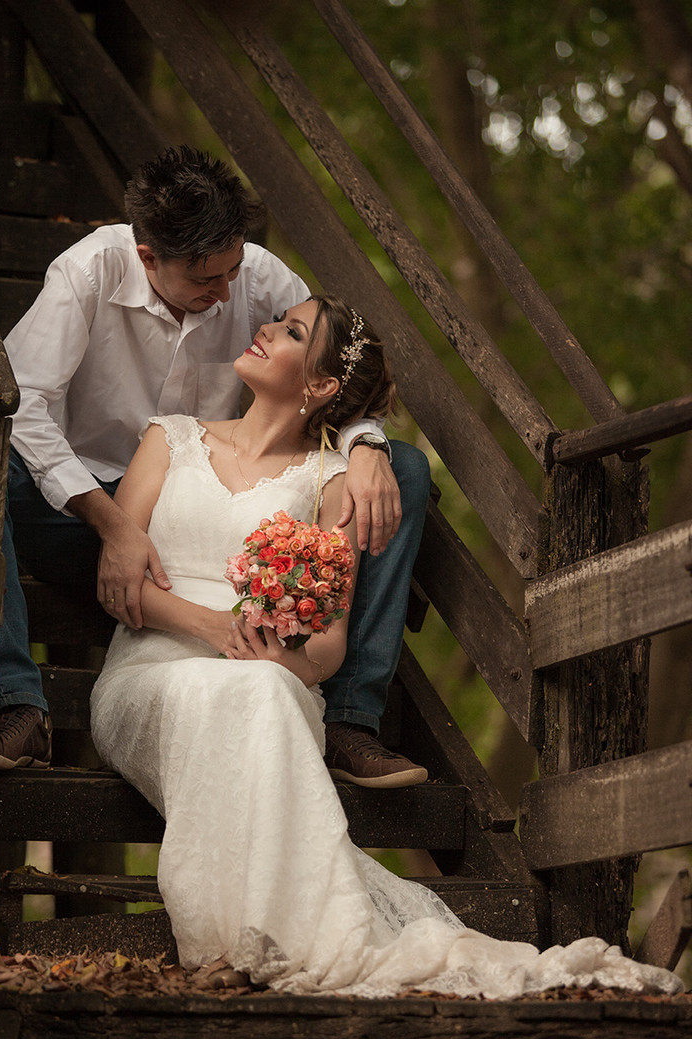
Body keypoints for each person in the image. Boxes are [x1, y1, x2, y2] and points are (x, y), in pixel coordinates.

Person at [89, 296, 682, 999]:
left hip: (264, 680)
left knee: (271, 691)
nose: (266, 329)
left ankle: (283, 935)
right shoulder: (170, 439)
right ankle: (261, 932)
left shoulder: (331, 482)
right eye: (278, 320)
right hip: (151, 670)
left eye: (291, 332)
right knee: (255, 693)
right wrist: (217, 630)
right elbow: (118, 587)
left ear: (319, 388)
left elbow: (328, 648)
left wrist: (283, 658)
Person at [0, 146, 431, 787]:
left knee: (406, 471)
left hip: (214, 523)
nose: (229, 293)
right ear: (149, 258)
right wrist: (114, 526)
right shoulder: (88, 271)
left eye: (233, 271)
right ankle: (19, 704)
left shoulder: (256, 276)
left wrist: (364, 445)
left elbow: (334, 366)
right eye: (206, 281)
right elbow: (22, 403)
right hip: (82, 511)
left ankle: (351, 721)